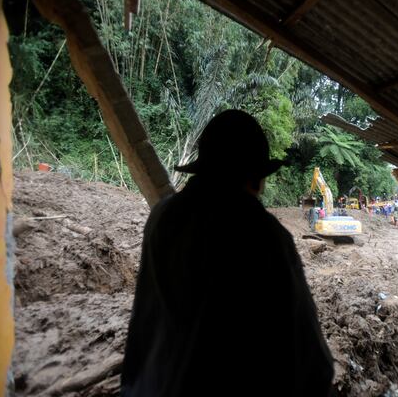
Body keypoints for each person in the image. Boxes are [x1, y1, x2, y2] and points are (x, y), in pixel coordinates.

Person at [121, 110, 334, 396]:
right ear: (256, 178)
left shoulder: (161, 217)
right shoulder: (263, 234)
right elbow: (309, 358)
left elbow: (144, 319)